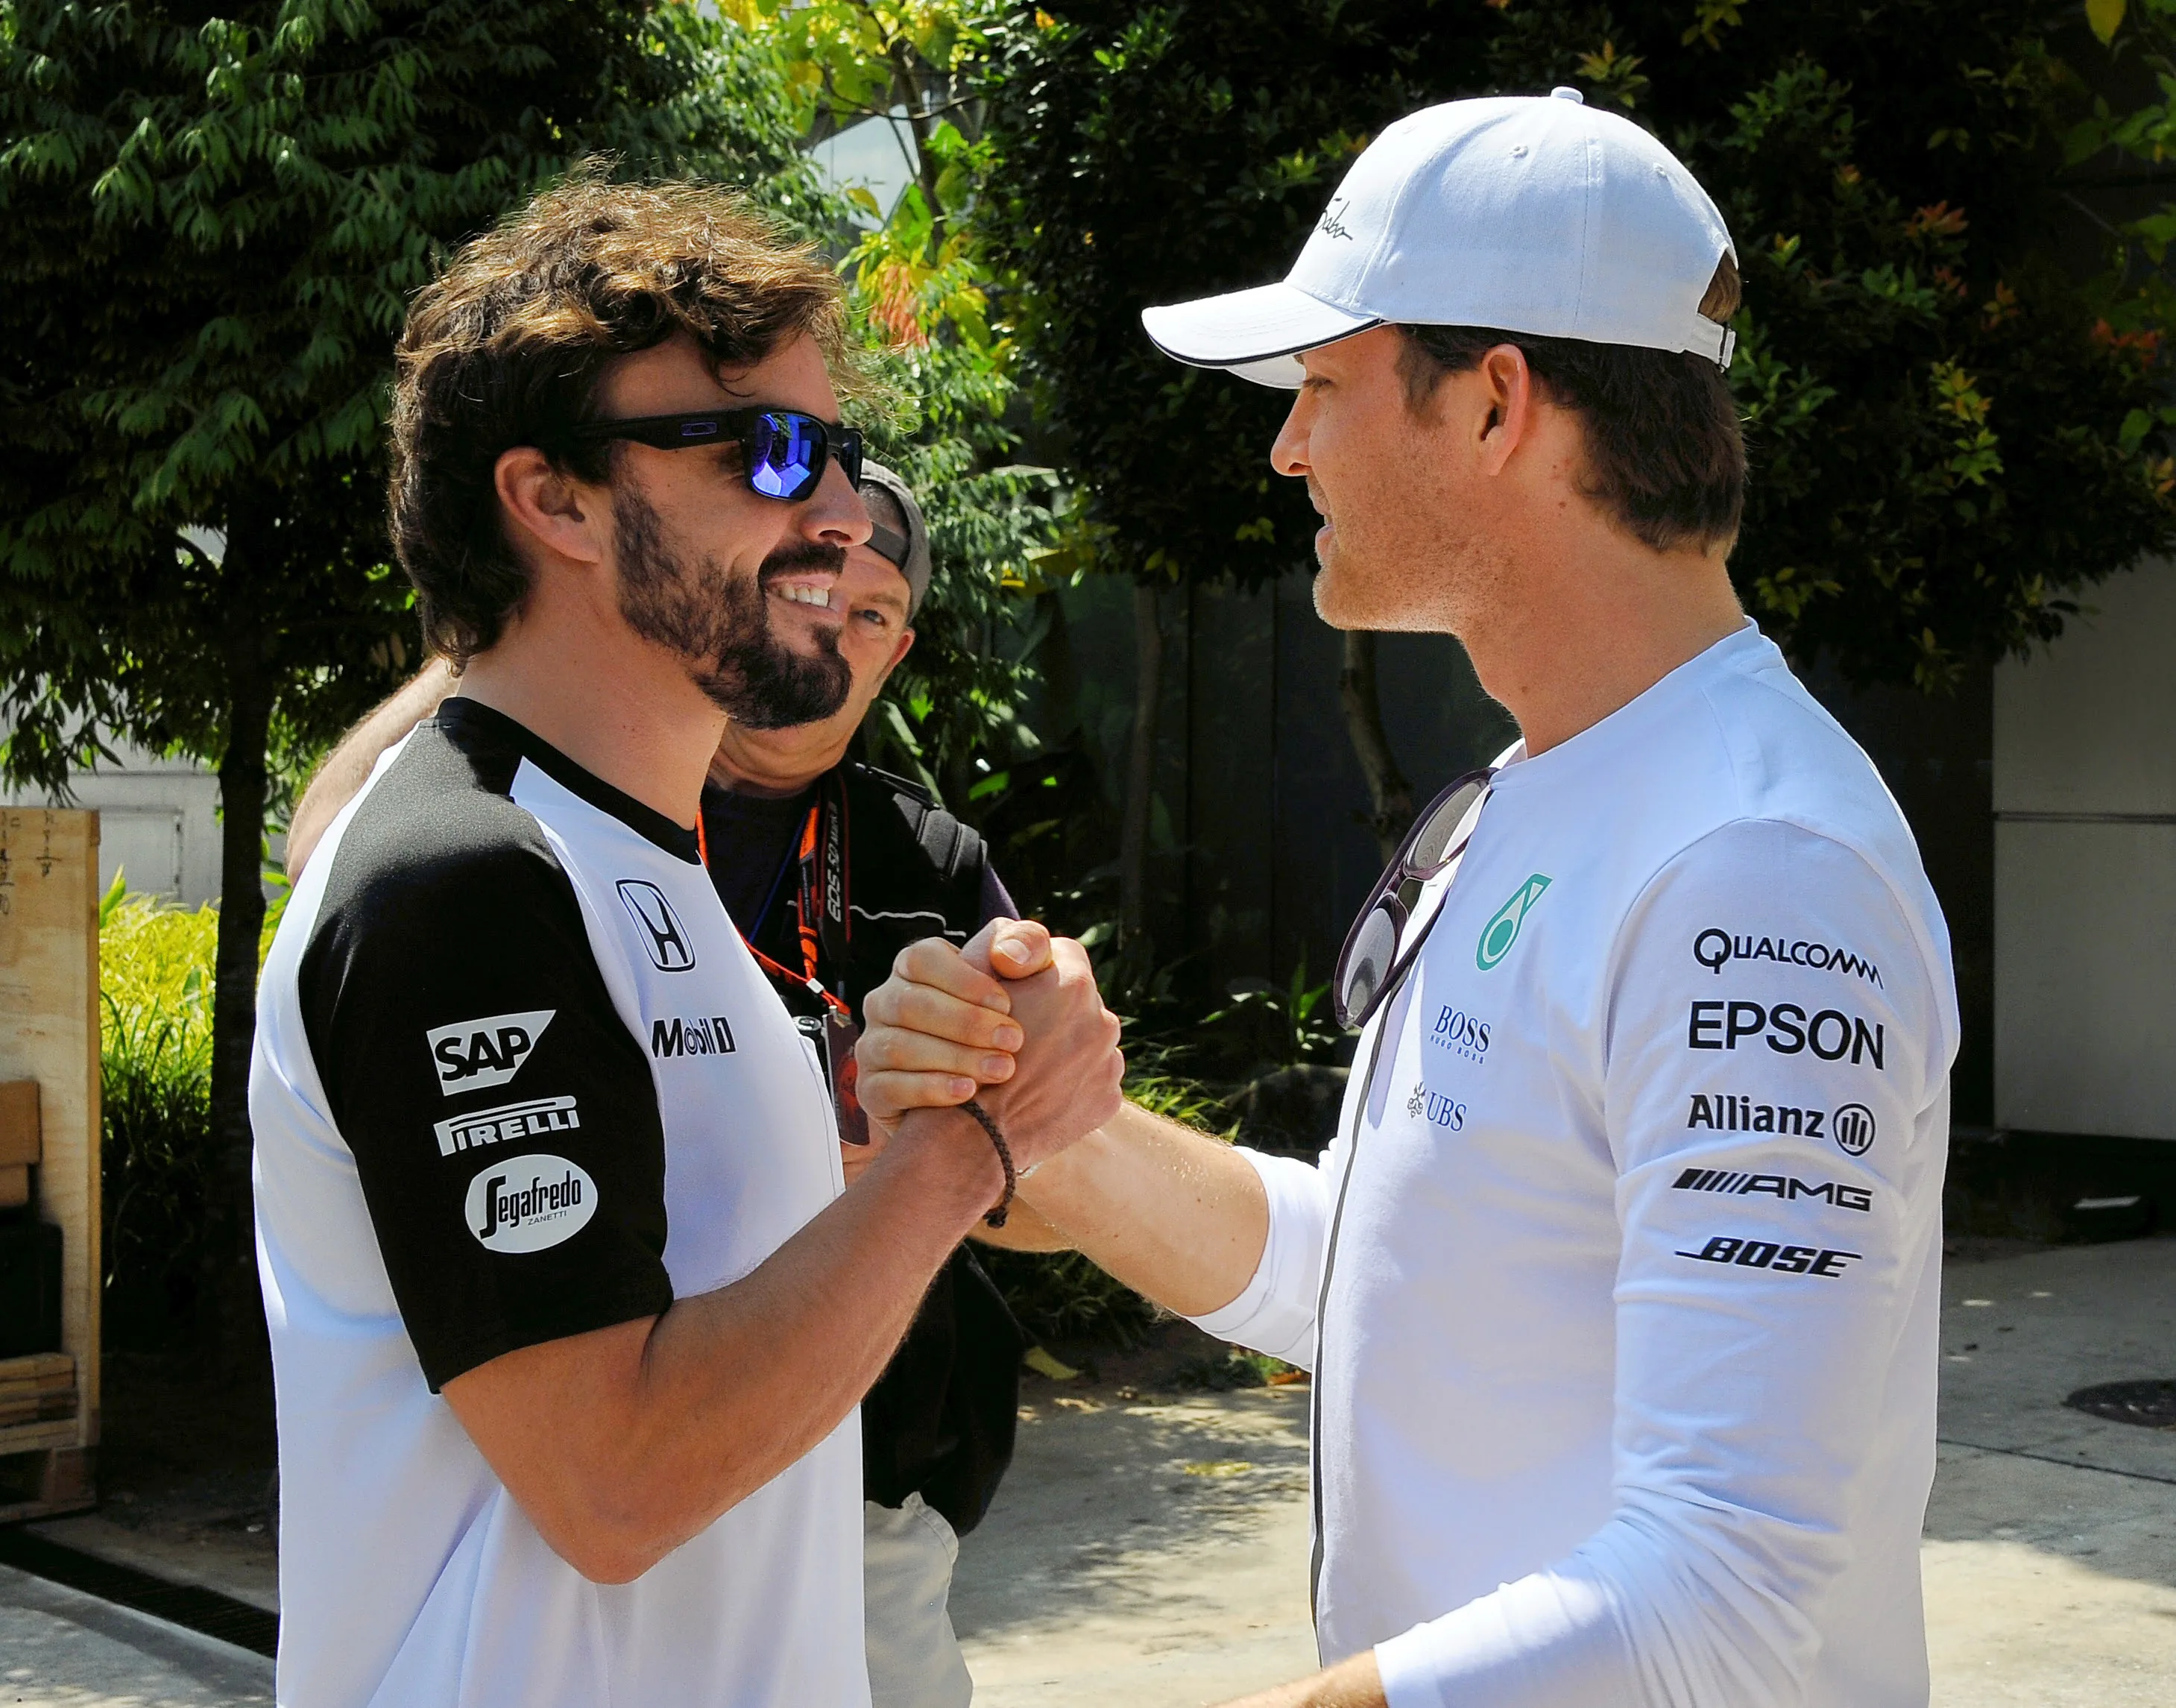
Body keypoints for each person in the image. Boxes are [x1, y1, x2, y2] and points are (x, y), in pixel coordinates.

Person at [856, 91, 1958, 1708]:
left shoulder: (1755, 864)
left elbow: (1732, 1583)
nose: (1287, 443)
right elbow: (1389, 1277)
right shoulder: (1547, 790)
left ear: (1498, 403)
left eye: (1318, 384)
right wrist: (1052, 1122)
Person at [249, 172, 1121, 1708]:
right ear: (558, 500)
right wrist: (969, 1145)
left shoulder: (634, 855)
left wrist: (955, 1070)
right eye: (769, 451)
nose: (842, 514)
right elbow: (616, 1481)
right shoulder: (465, 874)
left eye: (838, 453)